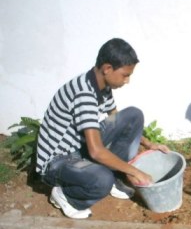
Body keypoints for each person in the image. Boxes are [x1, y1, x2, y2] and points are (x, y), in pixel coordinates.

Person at [36, 38, 169, 219]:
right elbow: (96, 151)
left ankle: (113, 176)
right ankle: (66, 196)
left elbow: (115, 117)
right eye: (125, 75)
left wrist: (148, 143)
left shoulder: (101, 85)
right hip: (57, 161)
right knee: (101, 180)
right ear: (107, 69)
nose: (128, 80)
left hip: (79, 148)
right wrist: (134, 171)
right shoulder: (84, 94)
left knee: (133, 116)